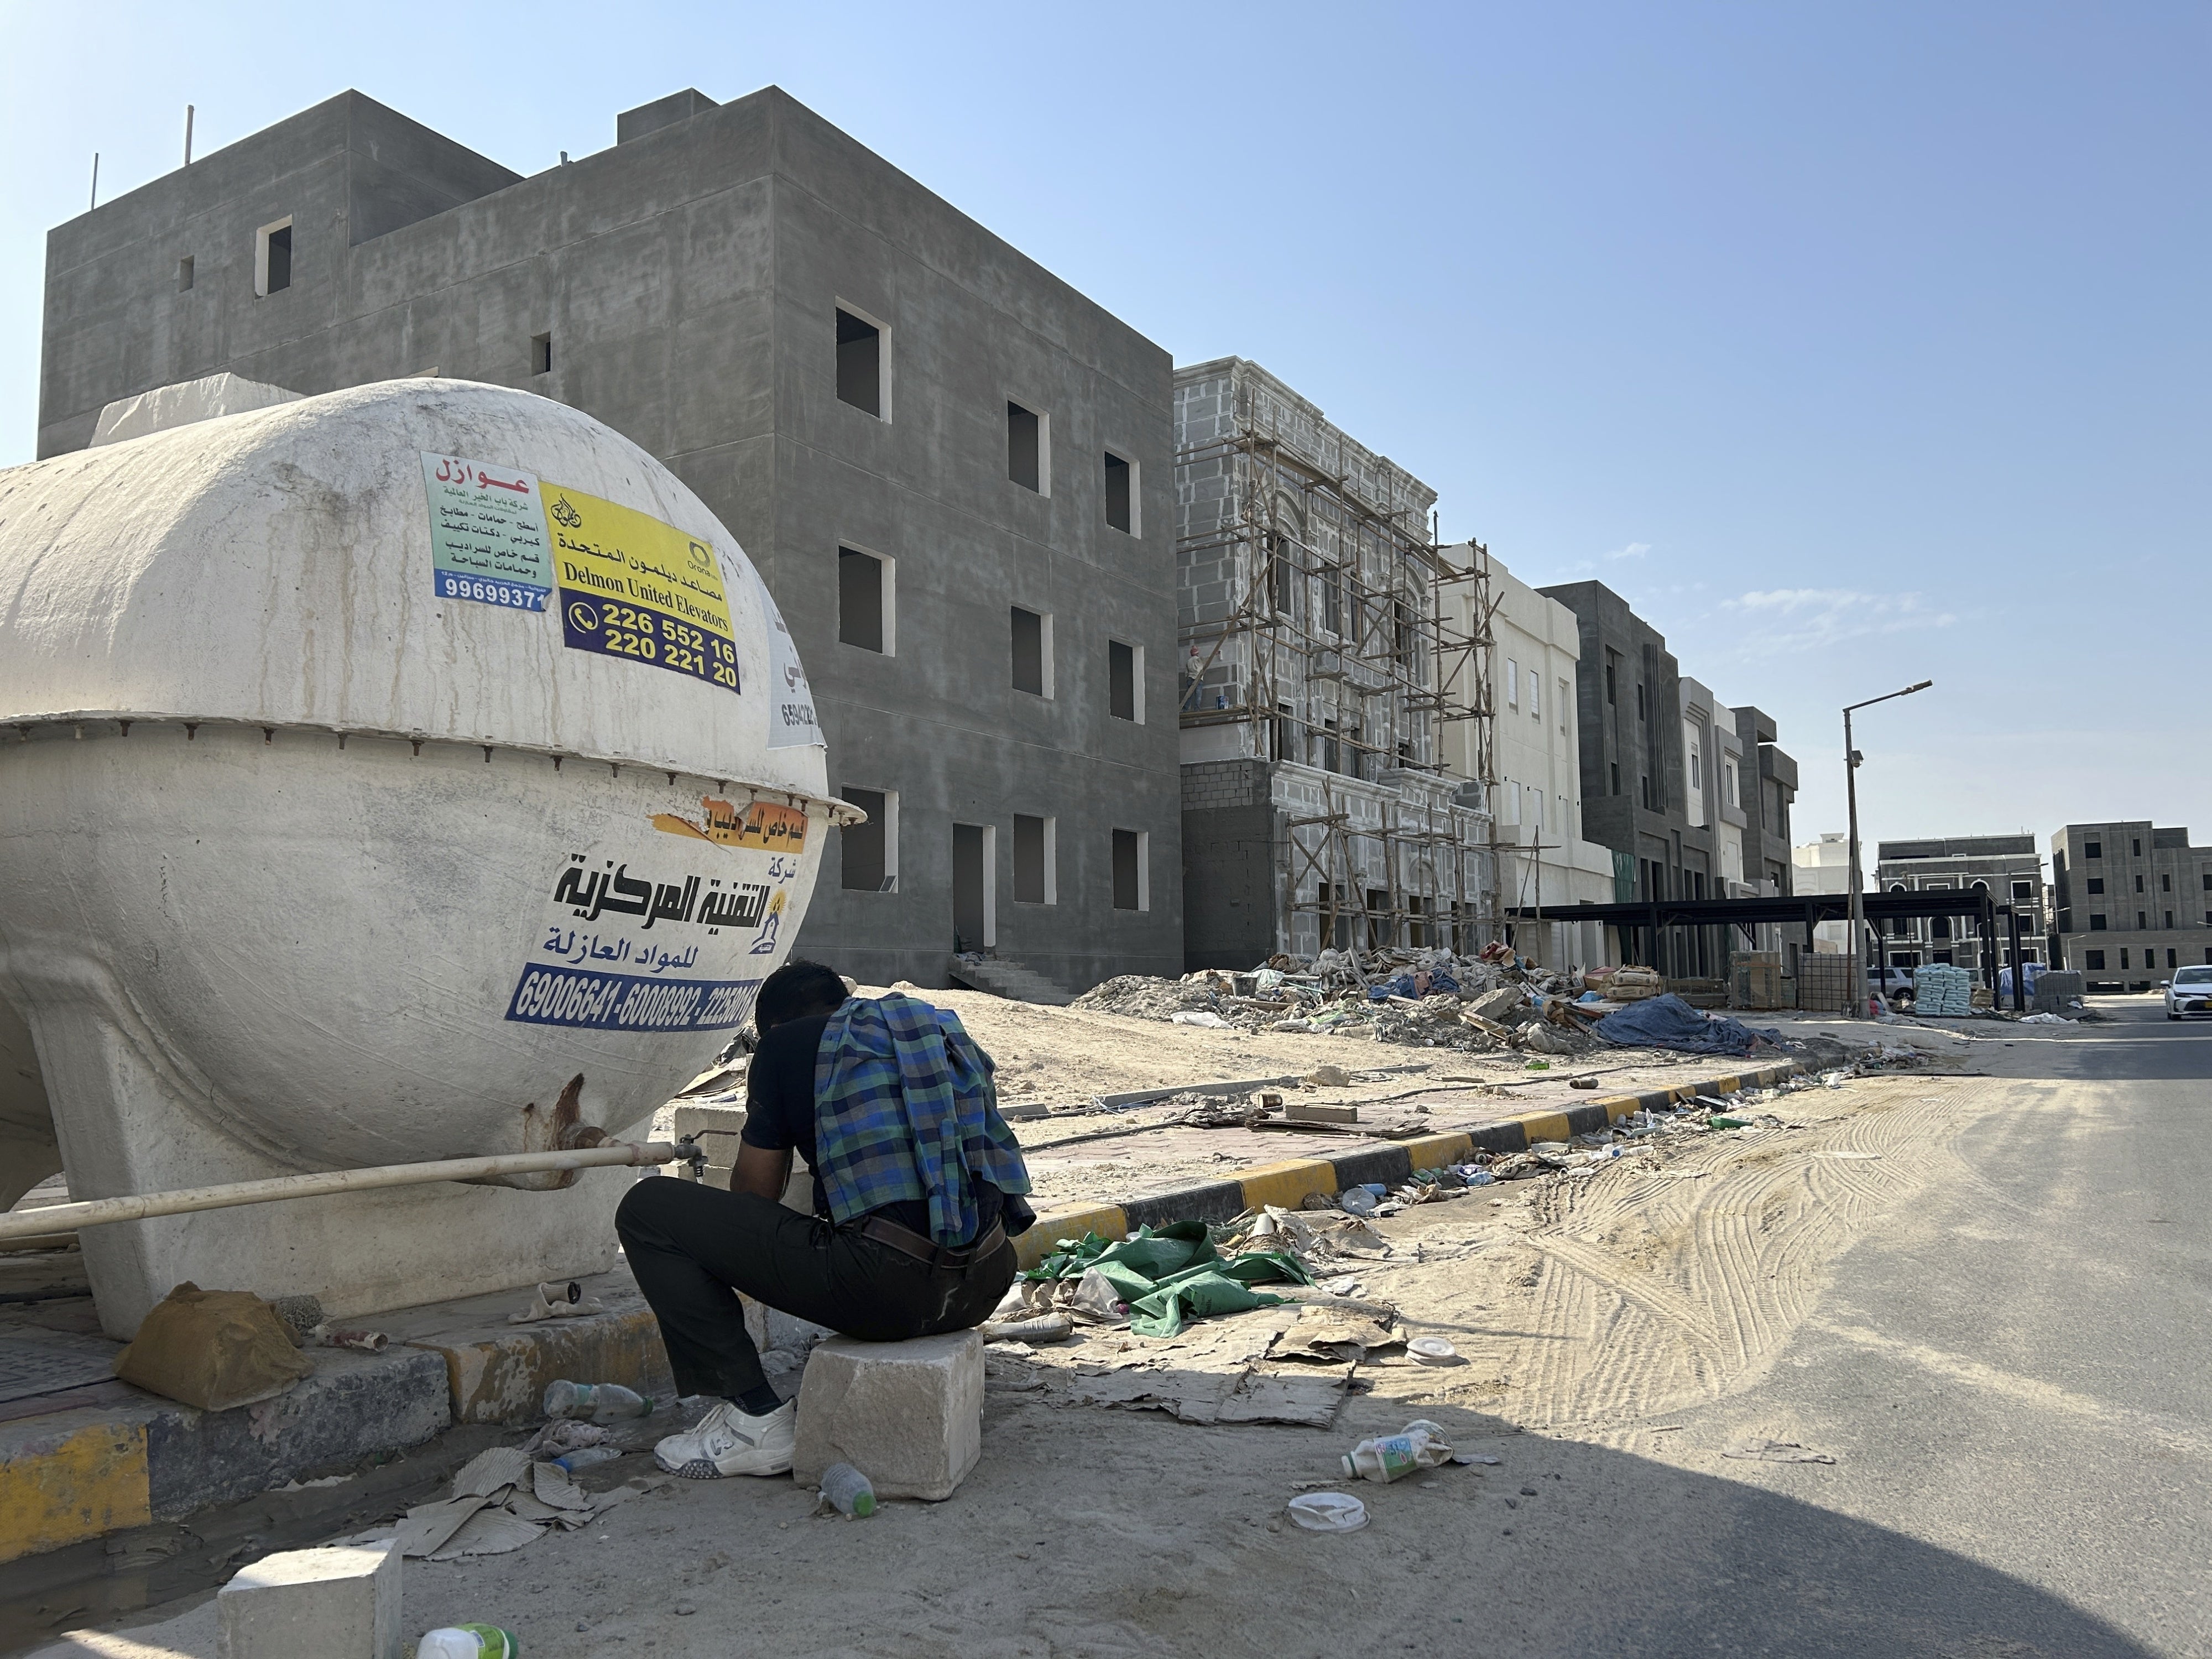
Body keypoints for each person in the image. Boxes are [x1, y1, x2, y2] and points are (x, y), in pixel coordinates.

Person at [617, 960, 1034, 1479]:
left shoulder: (785, 1046)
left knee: (648, 1210)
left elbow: (754, 1196)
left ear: (772, 1026)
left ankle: (755, 1418)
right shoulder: (934, 1030)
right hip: (985, 1280)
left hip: (887, 1291)